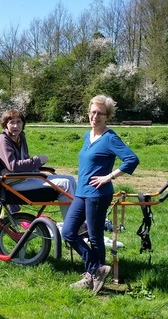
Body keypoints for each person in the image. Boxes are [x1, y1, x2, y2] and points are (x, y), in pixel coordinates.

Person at [61, 95, 139, 294]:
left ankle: (92, 275)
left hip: (98, 194)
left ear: (107, 116)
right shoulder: (88, 136)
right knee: (69, 232)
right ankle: (96, 269)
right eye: (92, 112)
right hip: (81, 192)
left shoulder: (110, 137)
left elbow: (132, 159)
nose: (95, 117)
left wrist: (109, 177)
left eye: (100, 113)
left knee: (95, 236)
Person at [0, 109, 77, 220]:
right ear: (5, 125)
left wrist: (36, 168)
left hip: (25, 177)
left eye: (19, 122)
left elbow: (25, 160)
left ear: (23, 124)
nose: (15, 125)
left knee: (70, 179)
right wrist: (38, 160)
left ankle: (77, 221)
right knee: (65, 184)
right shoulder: (2, 140)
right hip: (12, 183)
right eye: (12, 122)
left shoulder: (20, 137)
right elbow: (13, 166)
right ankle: (71, 226)